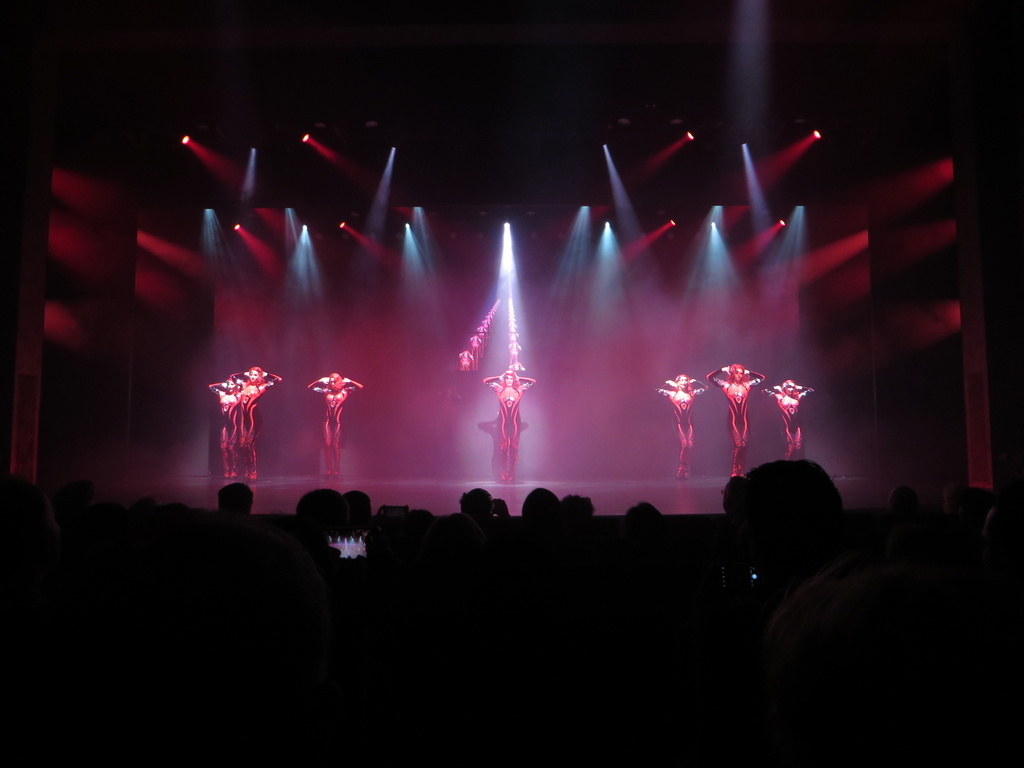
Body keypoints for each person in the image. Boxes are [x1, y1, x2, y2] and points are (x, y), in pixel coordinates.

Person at [707, 363, 765, 476]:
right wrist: (722, 369)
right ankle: (734, 471)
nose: (739, 375)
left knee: (744, 445)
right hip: (733, 420)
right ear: (732, 373)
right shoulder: (726, 386)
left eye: (741, 373)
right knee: (738, 445)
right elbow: (710, 377)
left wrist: (749, 372)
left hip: (745, 420)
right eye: (736, 372)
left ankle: (741, 470)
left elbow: (762, 378)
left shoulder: (747, 385)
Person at [483, 369, 536, 482]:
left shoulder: (519, 390)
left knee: (513, 447)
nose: (509, 380)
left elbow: (532, 381)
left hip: (515, 423)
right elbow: (486, 381)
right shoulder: (499, 389)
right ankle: (503, 473)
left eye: (511, 378)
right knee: (503, 447)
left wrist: (518, 378)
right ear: (505, 379)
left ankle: (511, 473)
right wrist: (500, 376)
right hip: (502, 423)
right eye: (507, 378)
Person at [229, 366, 282, 480]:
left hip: (254, 419)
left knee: (249, 445)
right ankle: (247, 471)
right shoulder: (244, 385)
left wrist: (265, 374)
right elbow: (233, 377)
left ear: (259, 376)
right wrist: (246, 373)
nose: (252, 377)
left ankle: (253, 471)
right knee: (242, 445)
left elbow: (278, 380)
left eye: (255, 375)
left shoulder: (261, 387)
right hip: (244, 420)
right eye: (251, 374)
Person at [308, 373, 364, 476]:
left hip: (338, 421)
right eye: (331, 382)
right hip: (327, 421)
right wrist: (320, 380)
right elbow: (310, 387)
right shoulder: (326, 391)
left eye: (335, 382)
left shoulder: (345, 391)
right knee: (327, 444)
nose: (333, 384)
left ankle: (337, 469)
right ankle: (329, 469)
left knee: (335, 445)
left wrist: (350, 381)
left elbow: (360, 387)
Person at [656, 374, 707, 479]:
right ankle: (681, 470)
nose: (684, 382)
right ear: (677, 382)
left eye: (686, 380)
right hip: (678, 422)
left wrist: (695, 381)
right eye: (682, 380)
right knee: (684, 444)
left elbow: (706, 388)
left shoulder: (692, 393)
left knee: (690, 445)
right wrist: (668, 384)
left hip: (689, 422)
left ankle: (685, 469)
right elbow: (657, 389)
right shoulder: (672, 394)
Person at [763, 380, 813, 460]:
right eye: (789, 387)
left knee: (797, 449)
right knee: (789, 449)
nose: (791, 389)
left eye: (792, 387)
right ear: (785, 388)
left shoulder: (797, 397)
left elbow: (811, 390)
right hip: (786, 427)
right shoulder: (780, 397)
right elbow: (765, 391)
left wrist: (799, 387)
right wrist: (776, 388)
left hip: (796, 428)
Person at [209, 378, 242, 477]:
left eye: (231, 384)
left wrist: (237, 384)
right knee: (223, 448)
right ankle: (226, 469)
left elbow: (243, 388)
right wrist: (223, 384)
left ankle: (234, 469)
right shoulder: (222, 394)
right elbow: (211, 387)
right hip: (225, 425)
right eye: (228, 384)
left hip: (234, 425)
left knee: (231, 448)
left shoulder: (238, 395)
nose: (229, 386)